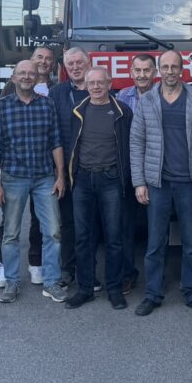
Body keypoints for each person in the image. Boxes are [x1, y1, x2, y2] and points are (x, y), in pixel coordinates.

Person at [130, 50, 192, 316]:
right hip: (157, 183)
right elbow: (137, 143)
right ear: (159, 70)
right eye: (165, 66)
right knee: (155, 242)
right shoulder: (147, 101)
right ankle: (153, 294)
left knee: (191, 243)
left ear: (182, 70)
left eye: (174, 67)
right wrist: (139, 182)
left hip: (188, 183)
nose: (169, 71)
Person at [0, 60, 67, 305]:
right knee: (11, 234)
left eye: (31, 73)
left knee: (52, 231)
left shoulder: (47, 104)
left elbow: (56, 142)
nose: (27, 77)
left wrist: (61, 176)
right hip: (13, 178)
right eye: (22, 73)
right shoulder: (1, 107)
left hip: (44, 178)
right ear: (13, 78)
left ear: (37, 78)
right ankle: (11, 282)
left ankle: (51, 282)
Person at [65, 67, 134, 310]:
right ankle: (85, 289)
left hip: (111, 180)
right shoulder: (77, 111)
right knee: (83, 238)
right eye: (91, 83)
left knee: (114, 238)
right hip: (83, 181)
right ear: (85, 84)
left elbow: (129, 147)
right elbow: (69, 145)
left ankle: (114, 289)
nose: (95, 87)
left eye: (100, 83)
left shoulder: (122, 111)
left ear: (109, 83)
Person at [114, 52, 157, 293]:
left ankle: (156, 277)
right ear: (131, 73)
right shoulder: (121, 97)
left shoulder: (163, 96)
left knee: (157, 227)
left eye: (146, 70)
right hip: (128, 171)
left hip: (156, 170)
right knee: (125, 226)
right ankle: (127, 273)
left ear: (154, 73)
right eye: (138, 71)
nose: (142, 75)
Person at [50, 46, 91, 287]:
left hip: (94, 168)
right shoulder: (57, 94)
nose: (75, 67)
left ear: (88, 63)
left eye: (79, 62)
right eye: (70, 64)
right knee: (68, 223)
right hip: (66, 169)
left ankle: (91, 270)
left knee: (93, 222)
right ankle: (67, 268)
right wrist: (58, 172)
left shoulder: (101, 88)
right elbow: (52, 133)